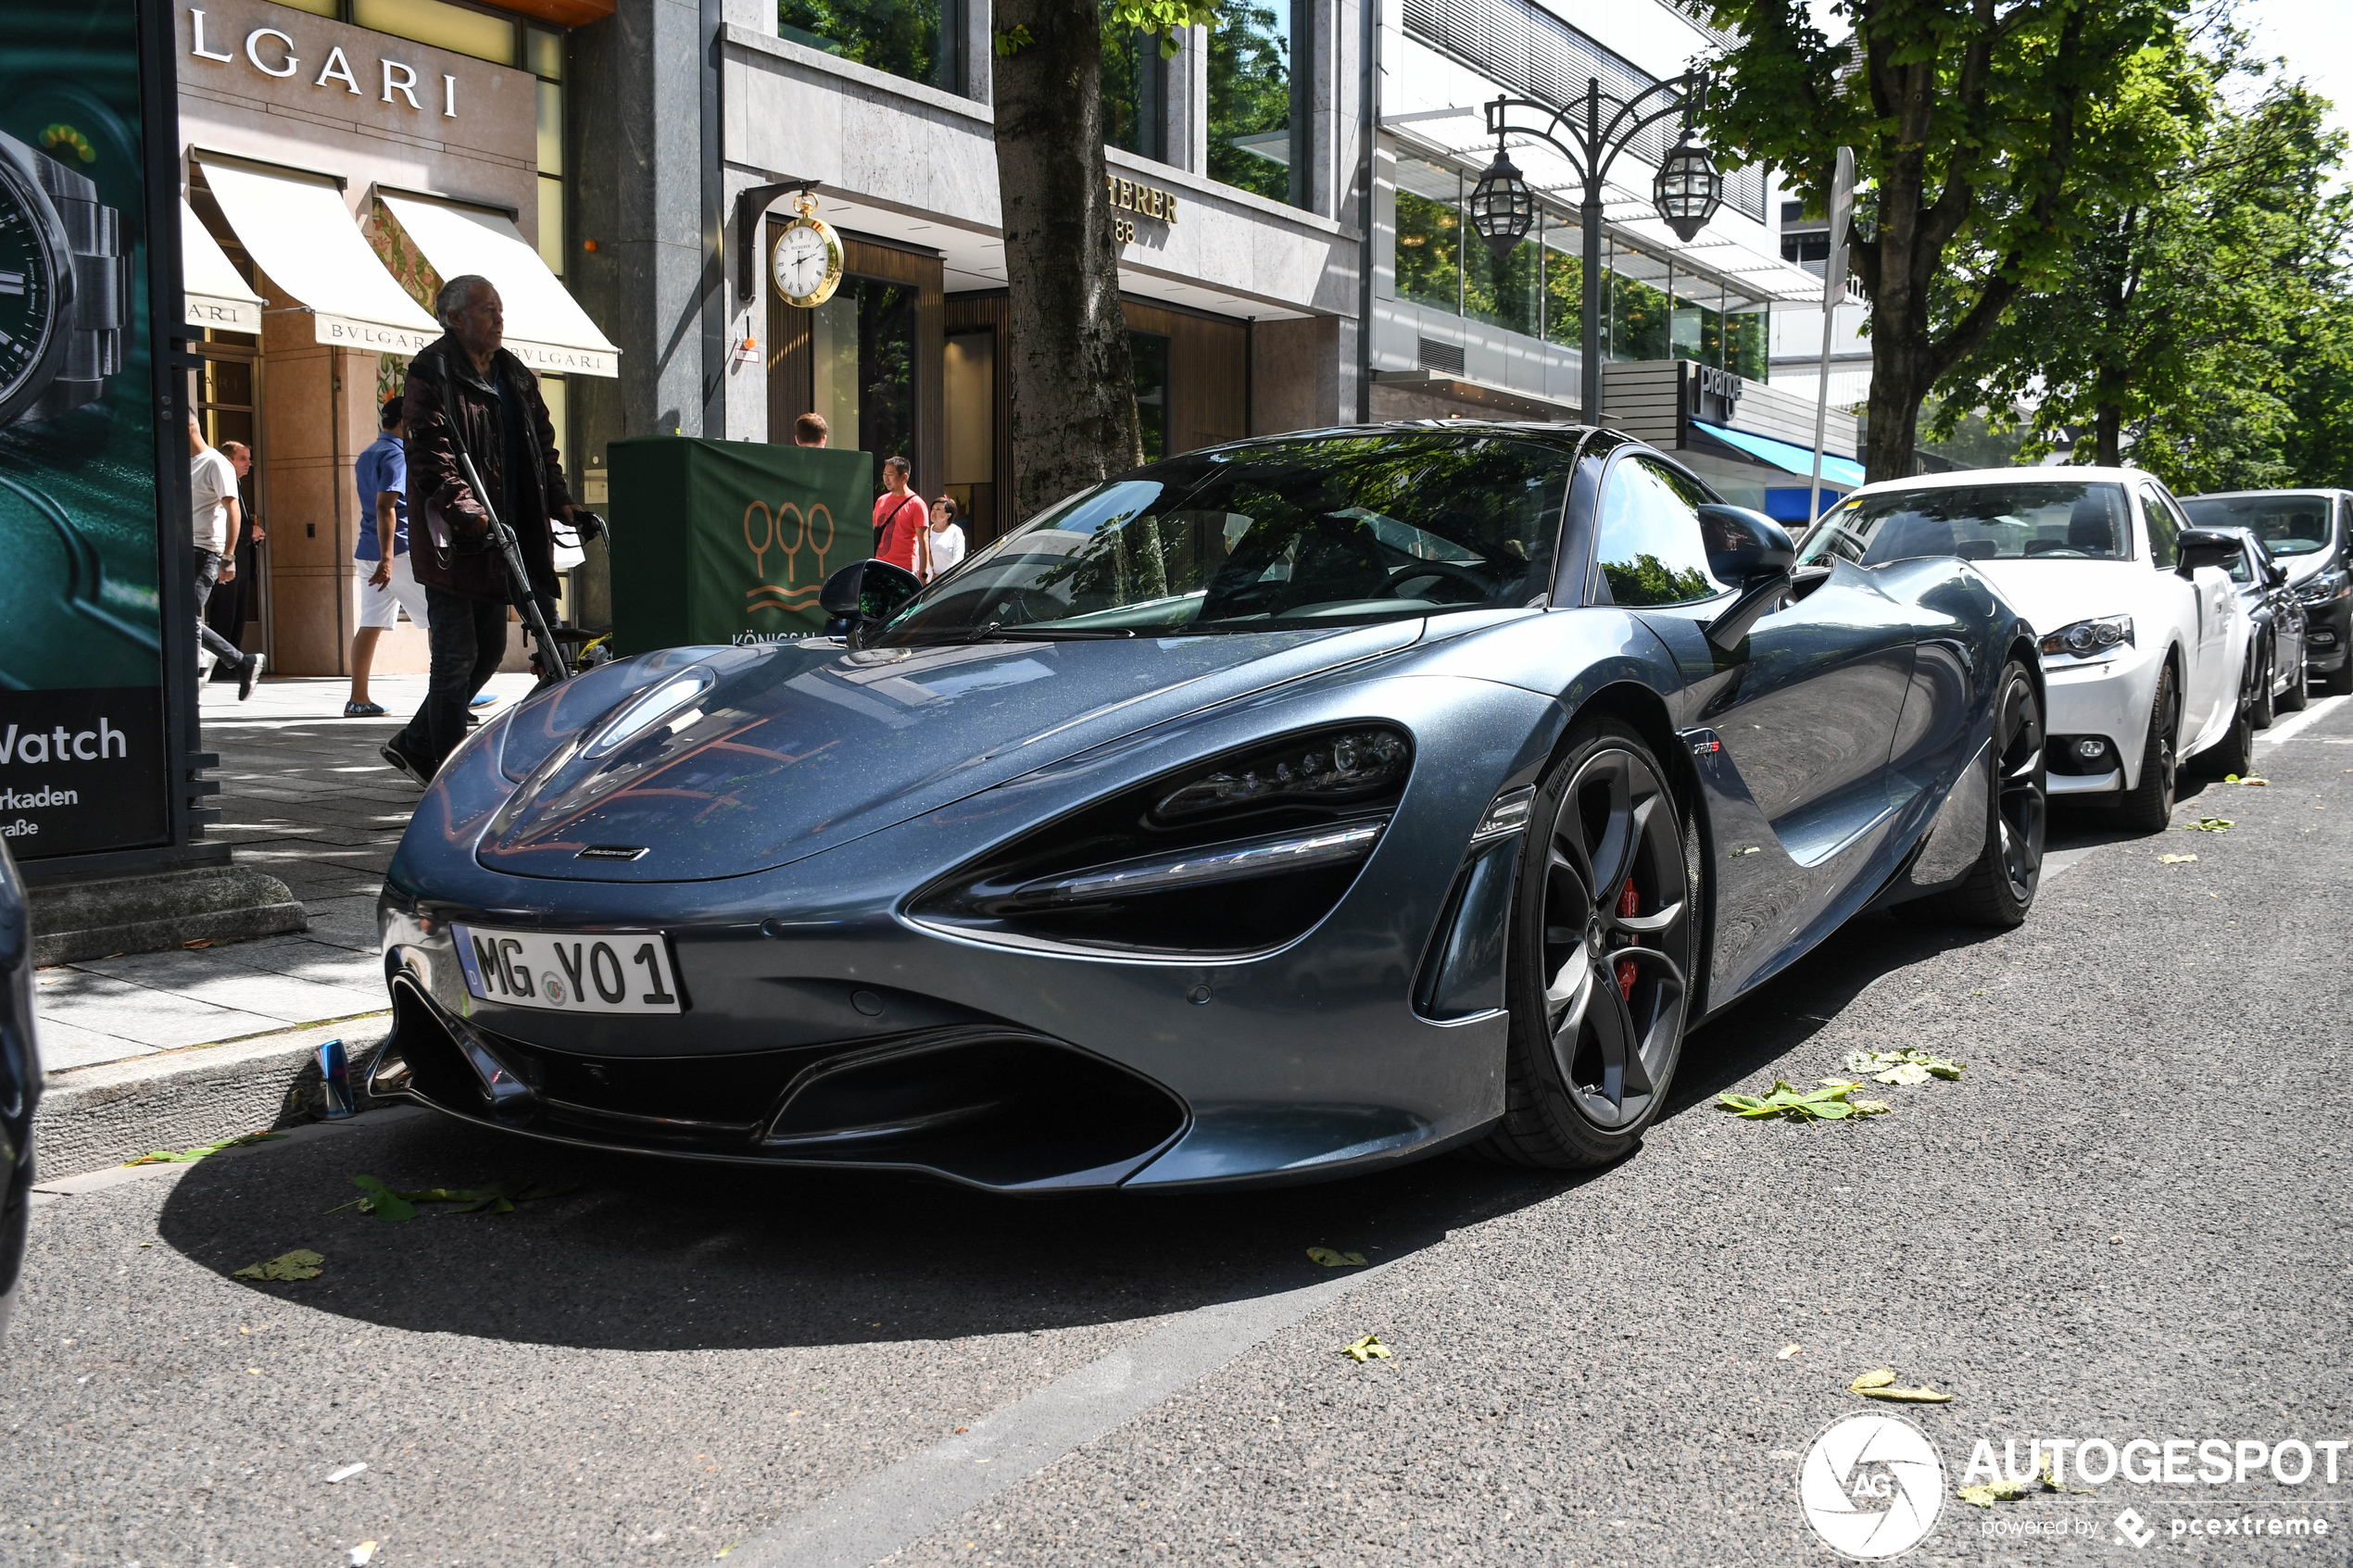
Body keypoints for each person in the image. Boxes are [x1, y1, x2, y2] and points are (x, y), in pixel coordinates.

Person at [381, 274, 575, 786]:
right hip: (456, 542)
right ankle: (447, 774)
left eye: (500, 308)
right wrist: (468, 512)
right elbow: (431, 454)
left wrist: (561, 502)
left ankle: (415, 744)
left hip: (507, 538)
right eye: (487, 309)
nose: (498, 317)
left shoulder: (515, 374)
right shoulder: (433, 370)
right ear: (455, 319)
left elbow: (541, 451)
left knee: (488, 652)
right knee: (455, 658)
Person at [345, 396, 427, 717]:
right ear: (403, 423)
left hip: (369, 550)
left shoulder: (368, 453)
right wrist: (389, 558)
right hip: (397, 551)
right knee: (441, 618)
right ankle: (452, 696)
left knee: (370, 623)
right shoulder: (396, 455)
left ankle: (358, 699)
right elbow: (385, 506)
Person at [188, 413, 263, 700]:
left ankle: (196, 671)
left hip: (205, 552)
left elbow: (233, 509)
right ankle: (240, 662)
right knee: (180, 617)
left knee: (188, 616)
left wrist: (228, 557)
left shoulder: (216, 463)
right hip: (182, 552)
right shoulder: (184, 464)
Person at [202, 440, 260, 672]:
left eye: (248, 458)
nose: (248, 463)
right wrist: (249, 531)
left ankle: (233, 664)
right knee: (225, 612)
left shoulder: (238, 486)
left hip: (243, 558)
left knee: (238, 612)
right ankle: (220, 667)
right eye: (242, 458)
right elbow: (224, 521)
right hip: (226, 557)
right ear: (228, 460)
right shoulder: (222, 486)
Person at [873, 456, 927, 574]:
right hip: (878, 566)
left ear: (904, 477)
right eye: (884, 474)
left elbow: (923, 540)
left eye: (890, 475)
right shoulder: (881, 500)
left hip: (903, 570)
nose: (886, 479)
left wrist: (923, 572)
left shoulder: (917, 504)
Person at [920, 495, 967, 582]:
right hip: (928, 583)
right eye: (933, 509)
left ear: (948, 515)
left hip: (948, 582)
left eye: (938, 509)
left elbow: (958, 559)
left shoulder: (955, 532)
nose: (933, 512)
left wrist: (949, 577)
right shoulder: (926, 531)